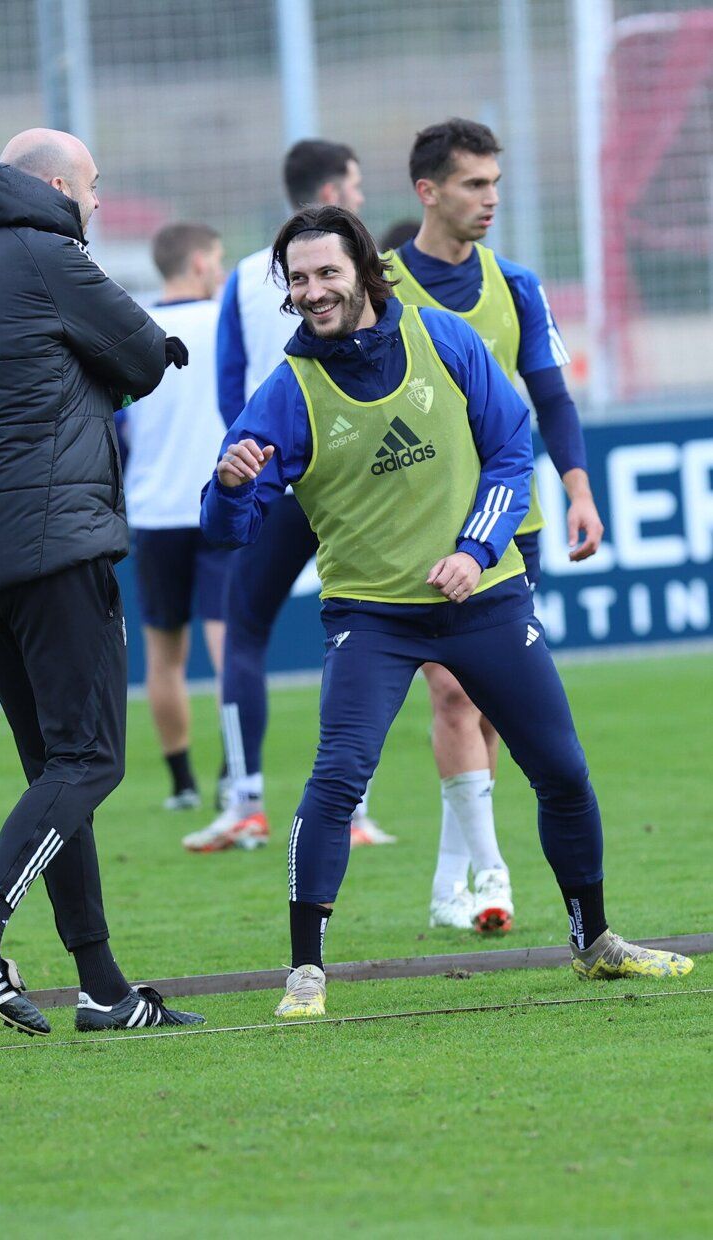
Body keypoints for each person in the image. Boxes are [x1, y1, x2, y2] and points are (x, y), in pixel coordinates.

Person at [201, 204, 693, 1018]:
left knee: (563, 771)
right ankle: (305, 974)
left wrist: (474, 546)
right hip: (373, 618)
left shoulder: (443, 339)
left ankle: (594, 942)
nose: (315, 290)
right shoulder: (287, 393)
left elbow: (511, 445)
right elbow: (230, 533)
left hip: (486, 597)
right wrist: (226, 488)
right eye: (298, 279)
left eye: (328, 272)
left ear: (363, 268)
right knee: (336, 779)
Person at [0, 128, 203, 1036]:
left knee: (55, 770)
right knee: (90, 762)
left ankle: (103, 988)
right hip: (55, 547)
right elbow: (145, 356)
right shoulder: (48, 257)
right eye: (90, 187)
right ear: (50, 185)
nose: (95, 202)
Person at [383, 119, 605, 933]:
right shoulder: (379, 284)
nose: (491, 200)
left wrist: (578, 490)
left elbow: (551, 394)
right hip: (418, 526)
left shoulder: (516, 283)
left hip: (514, 520)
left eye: (496, 184)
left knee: (486, 705)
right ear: (428, 192)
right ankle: (492, 869)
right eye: (475, 184)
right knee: (449, 688)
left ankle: (454, 879)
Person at [184, 138, 394, 852]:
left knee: (245, 632)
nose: (362, 198)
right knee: (371, 629)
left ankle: (246, 803)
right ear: (334, 187)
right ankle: (356, 809)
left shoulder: (246, 274)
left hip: (275, 479)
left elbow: (228, 386)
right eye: (357, 187)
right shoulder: (365, 268)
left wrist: (252, 471)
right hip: (353, 479)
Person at [122, 222, 231, 812]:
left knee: (165, 655)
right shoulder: (225, 323)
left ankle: (183, 783)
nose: (220, 268)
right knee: (228, 646)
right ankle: (236, 775)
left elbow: (116, 425)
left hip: (154, 509)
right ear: (196, 262)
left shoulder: (131, 327)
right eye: (216, 258)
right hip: (219, 501)